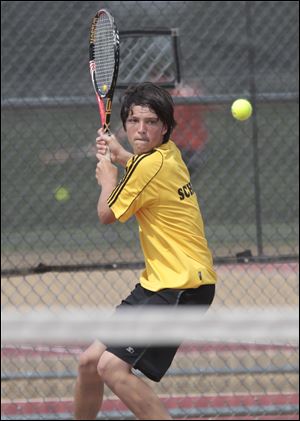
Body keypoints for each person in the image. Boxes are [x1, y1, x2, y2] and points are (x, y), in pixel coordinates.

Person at [74, 82, 217, 420]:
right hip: (156, 284)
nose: (141, 129)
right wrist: (120, 153)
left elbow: (107, 215)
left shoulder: (148, 166)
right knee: (89, 363)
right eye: (134, 120)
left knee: (112, 367)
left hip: (182, 285)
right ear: (125, 123)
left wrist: (108, 178)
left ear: (165, 127)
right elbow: (138, 163)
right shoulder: (170, 154)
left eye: (151, 122)